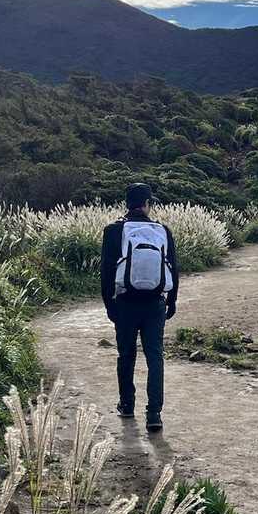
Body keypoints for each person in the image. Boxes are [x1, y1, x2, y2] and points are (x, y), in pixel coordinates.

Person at [101, 183, 179, 433]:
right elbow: (173, 268)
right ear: (147, 204)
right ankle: (154, 414)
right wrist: (172, 300)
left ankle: (127, 405)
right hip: (155, 303)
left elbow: (106, 272)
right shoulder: (162, 230)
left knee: (126, 355)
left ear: (127, 203)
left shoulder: (114, 230)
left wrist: (109, 304)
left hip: (125, 303)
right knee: (155, 356)